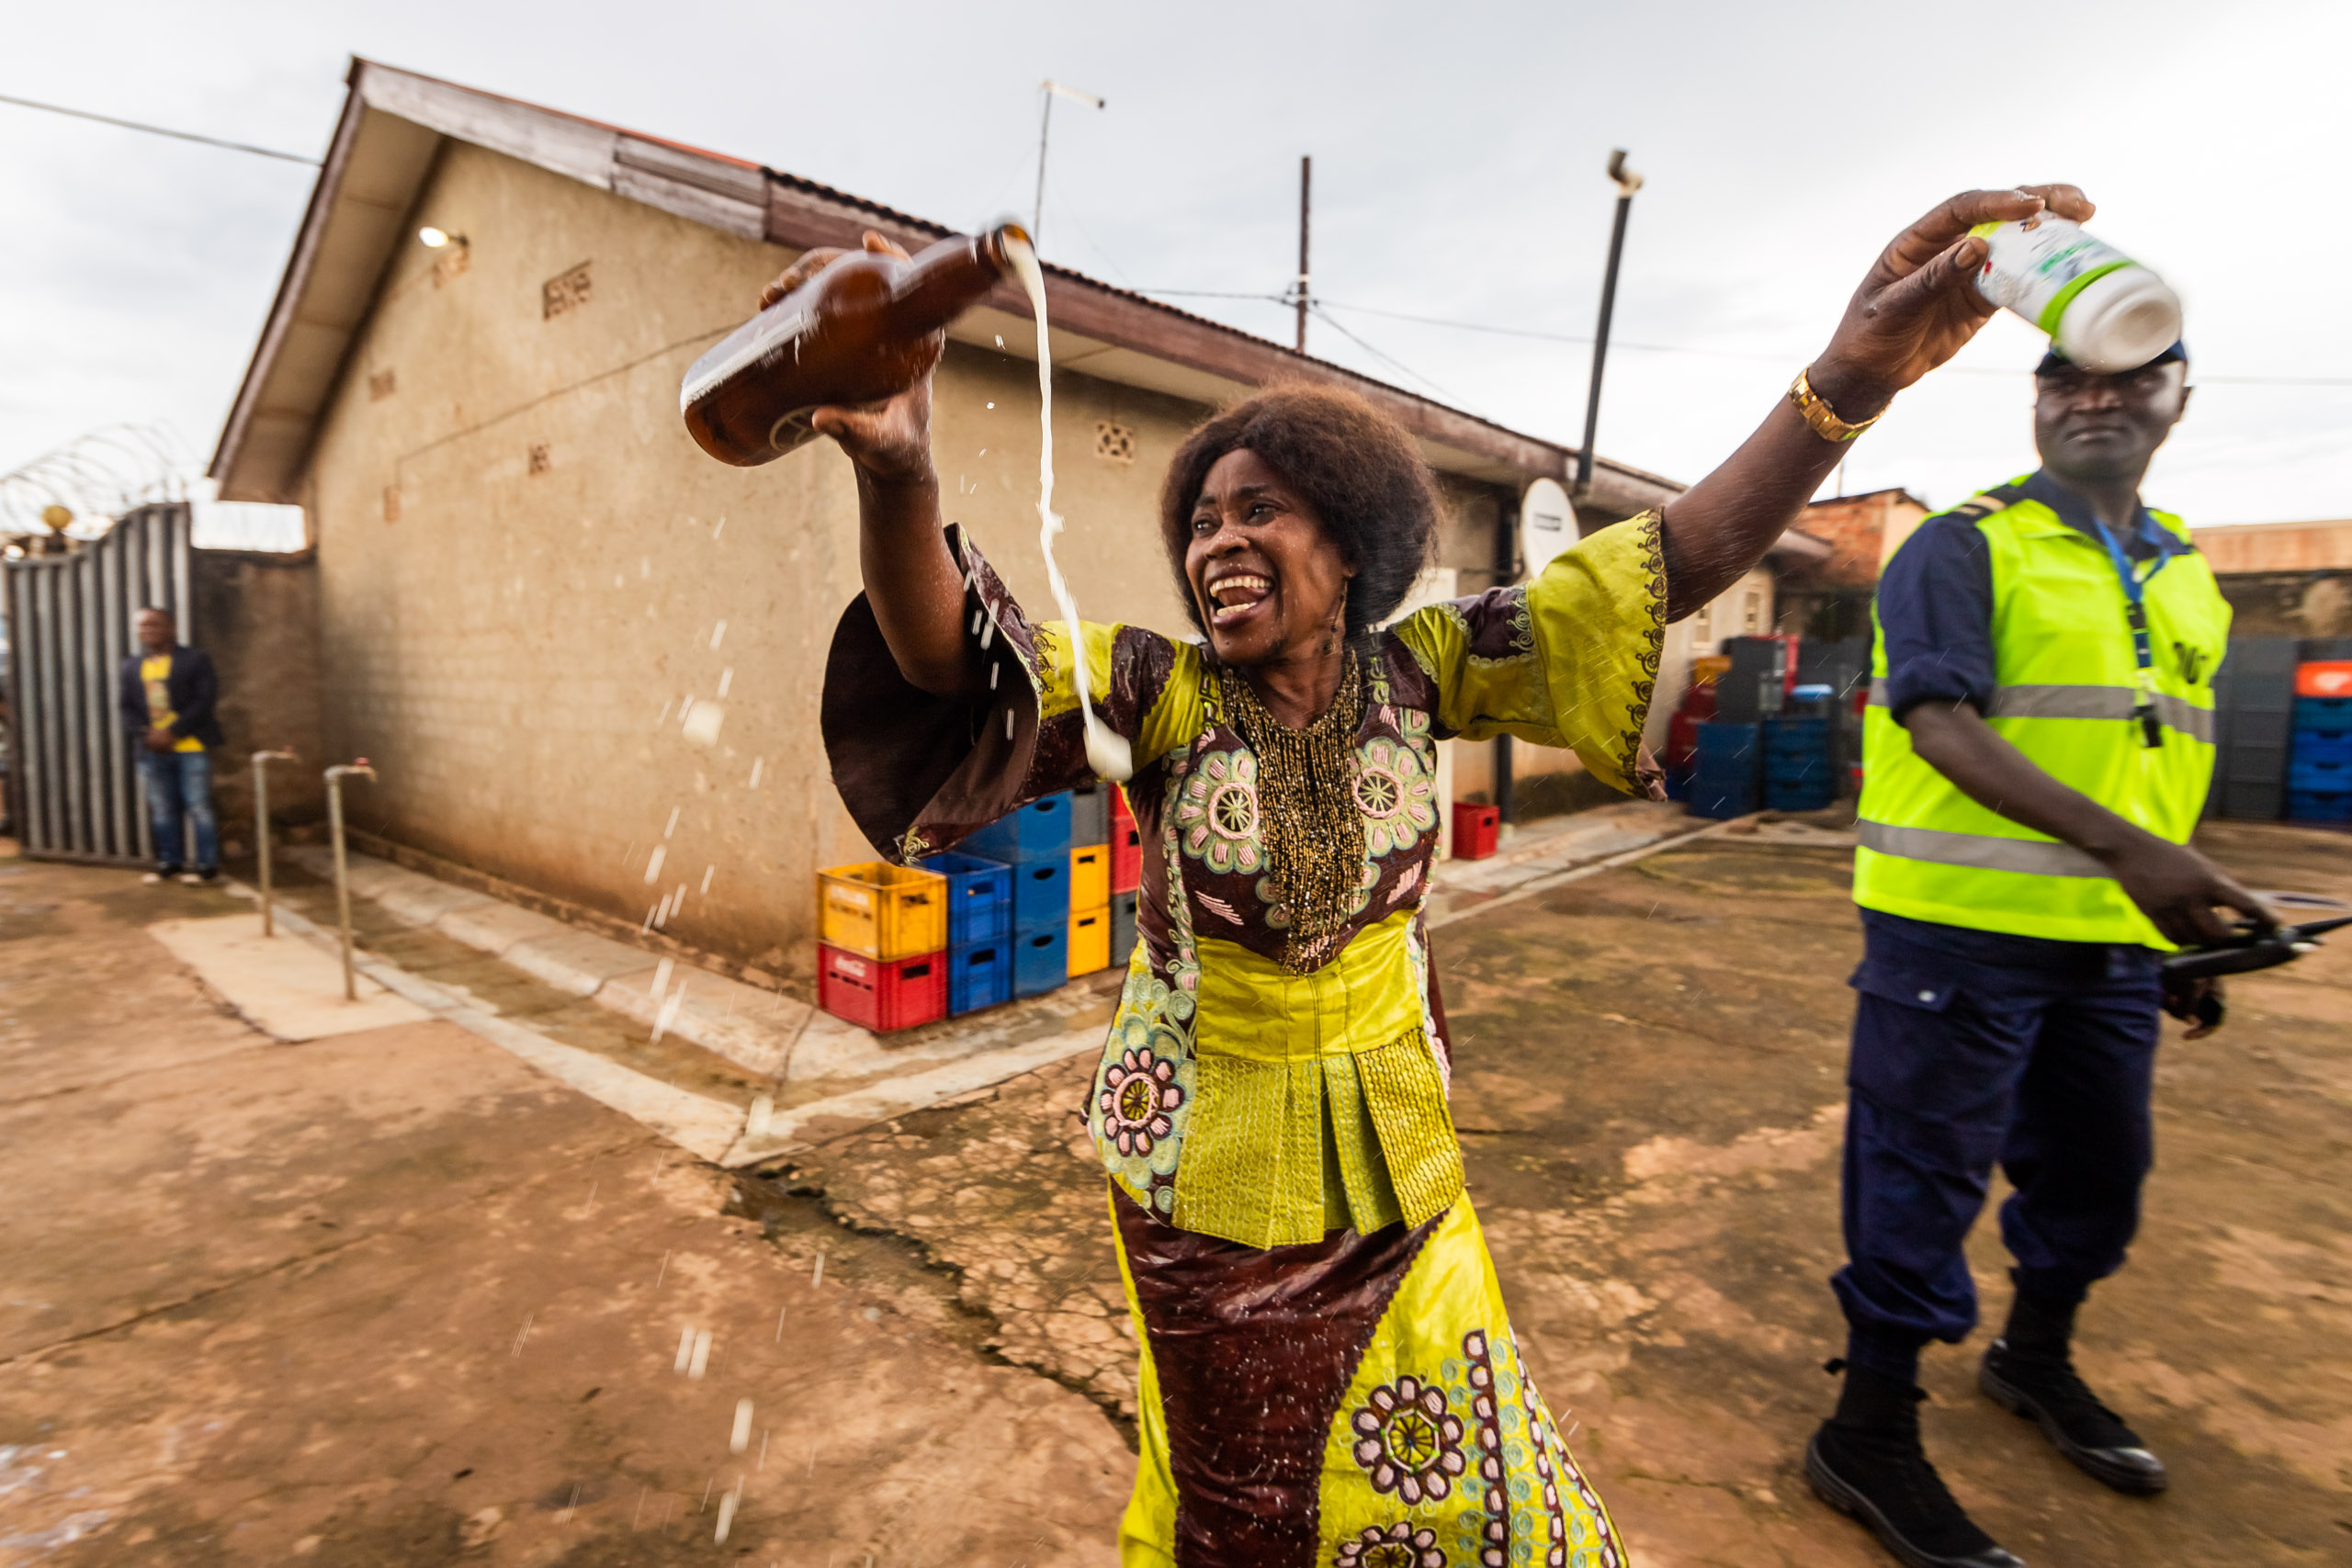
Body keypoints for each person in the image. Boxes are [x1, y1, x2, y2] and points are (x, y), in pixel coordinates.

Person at [809, 184, 2087, 1566]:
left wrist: (1850, 379)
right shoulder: (1157, 691)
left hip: (1402, 1159)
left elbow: (1673, 559)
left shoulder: (1426, 670)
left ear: (1352, 544)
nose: (1218, 540)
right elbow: (950, 656)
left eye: (1261, 509)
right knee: (1253, 1512)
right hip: (1208, 1189)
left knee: (1478, 1477)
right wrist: (900, 470)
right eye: (1202, 520)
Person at [1811, 334, 2268, 1568]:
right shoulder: (1965, 546)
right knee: (1919, 1184)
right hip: (1954, 935)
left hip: (2113, 942)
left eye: (2131, 377)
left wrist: (2167, 923)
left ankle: (2033, 1357)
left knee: (2098, 1174)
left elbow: (2152, 759)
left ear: (2180, 397)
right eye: (2066, 376)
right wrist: (2137, 857)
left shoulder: (2186, 571)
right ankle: (1866, 1433)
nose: (2094, 397)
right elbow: (1938, 722)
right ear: (2036, 398)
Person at [119, 606, 225, 884]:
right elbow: (127, 707)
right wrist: (145, 733)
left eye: (154, 624)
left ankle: (207, 866)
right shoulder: (131, 666)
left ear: (171, 628)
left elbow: (204, 701)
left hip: (190, 747)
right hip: (151, 749)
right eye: (143, 626)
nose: (147, 630)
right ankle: (170, 862)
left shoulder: (195, 660)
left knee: (198, 806)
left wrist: (173, 731)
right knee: (162, 809)